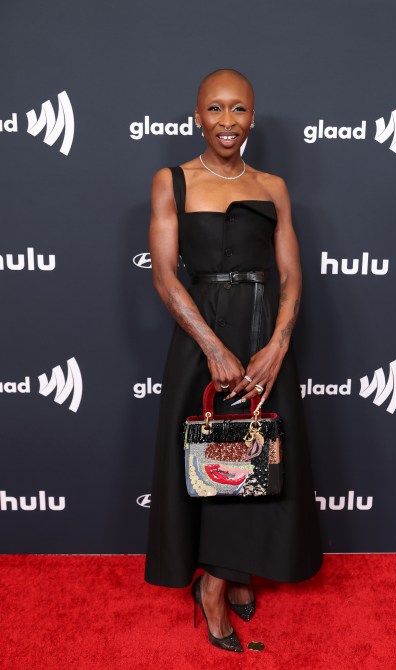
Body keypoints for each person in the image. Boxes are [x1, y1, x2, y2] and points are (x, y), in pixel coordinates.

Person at [144, 68, 322, 653]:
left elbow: (292, 275)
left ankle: (237, 570)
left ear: (252, 118)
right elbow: (165, 277)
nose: (227, 121)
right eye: (215, 109)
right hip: (202, 342)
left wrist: (277, 346)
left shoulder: (273, 187)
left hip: (263, 336)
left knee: (258, 455)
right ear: (197, 116)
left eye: (238, 109)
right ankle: (214, 587)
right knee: (215, 461)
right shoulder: (172, 181)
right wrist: (213, 348)